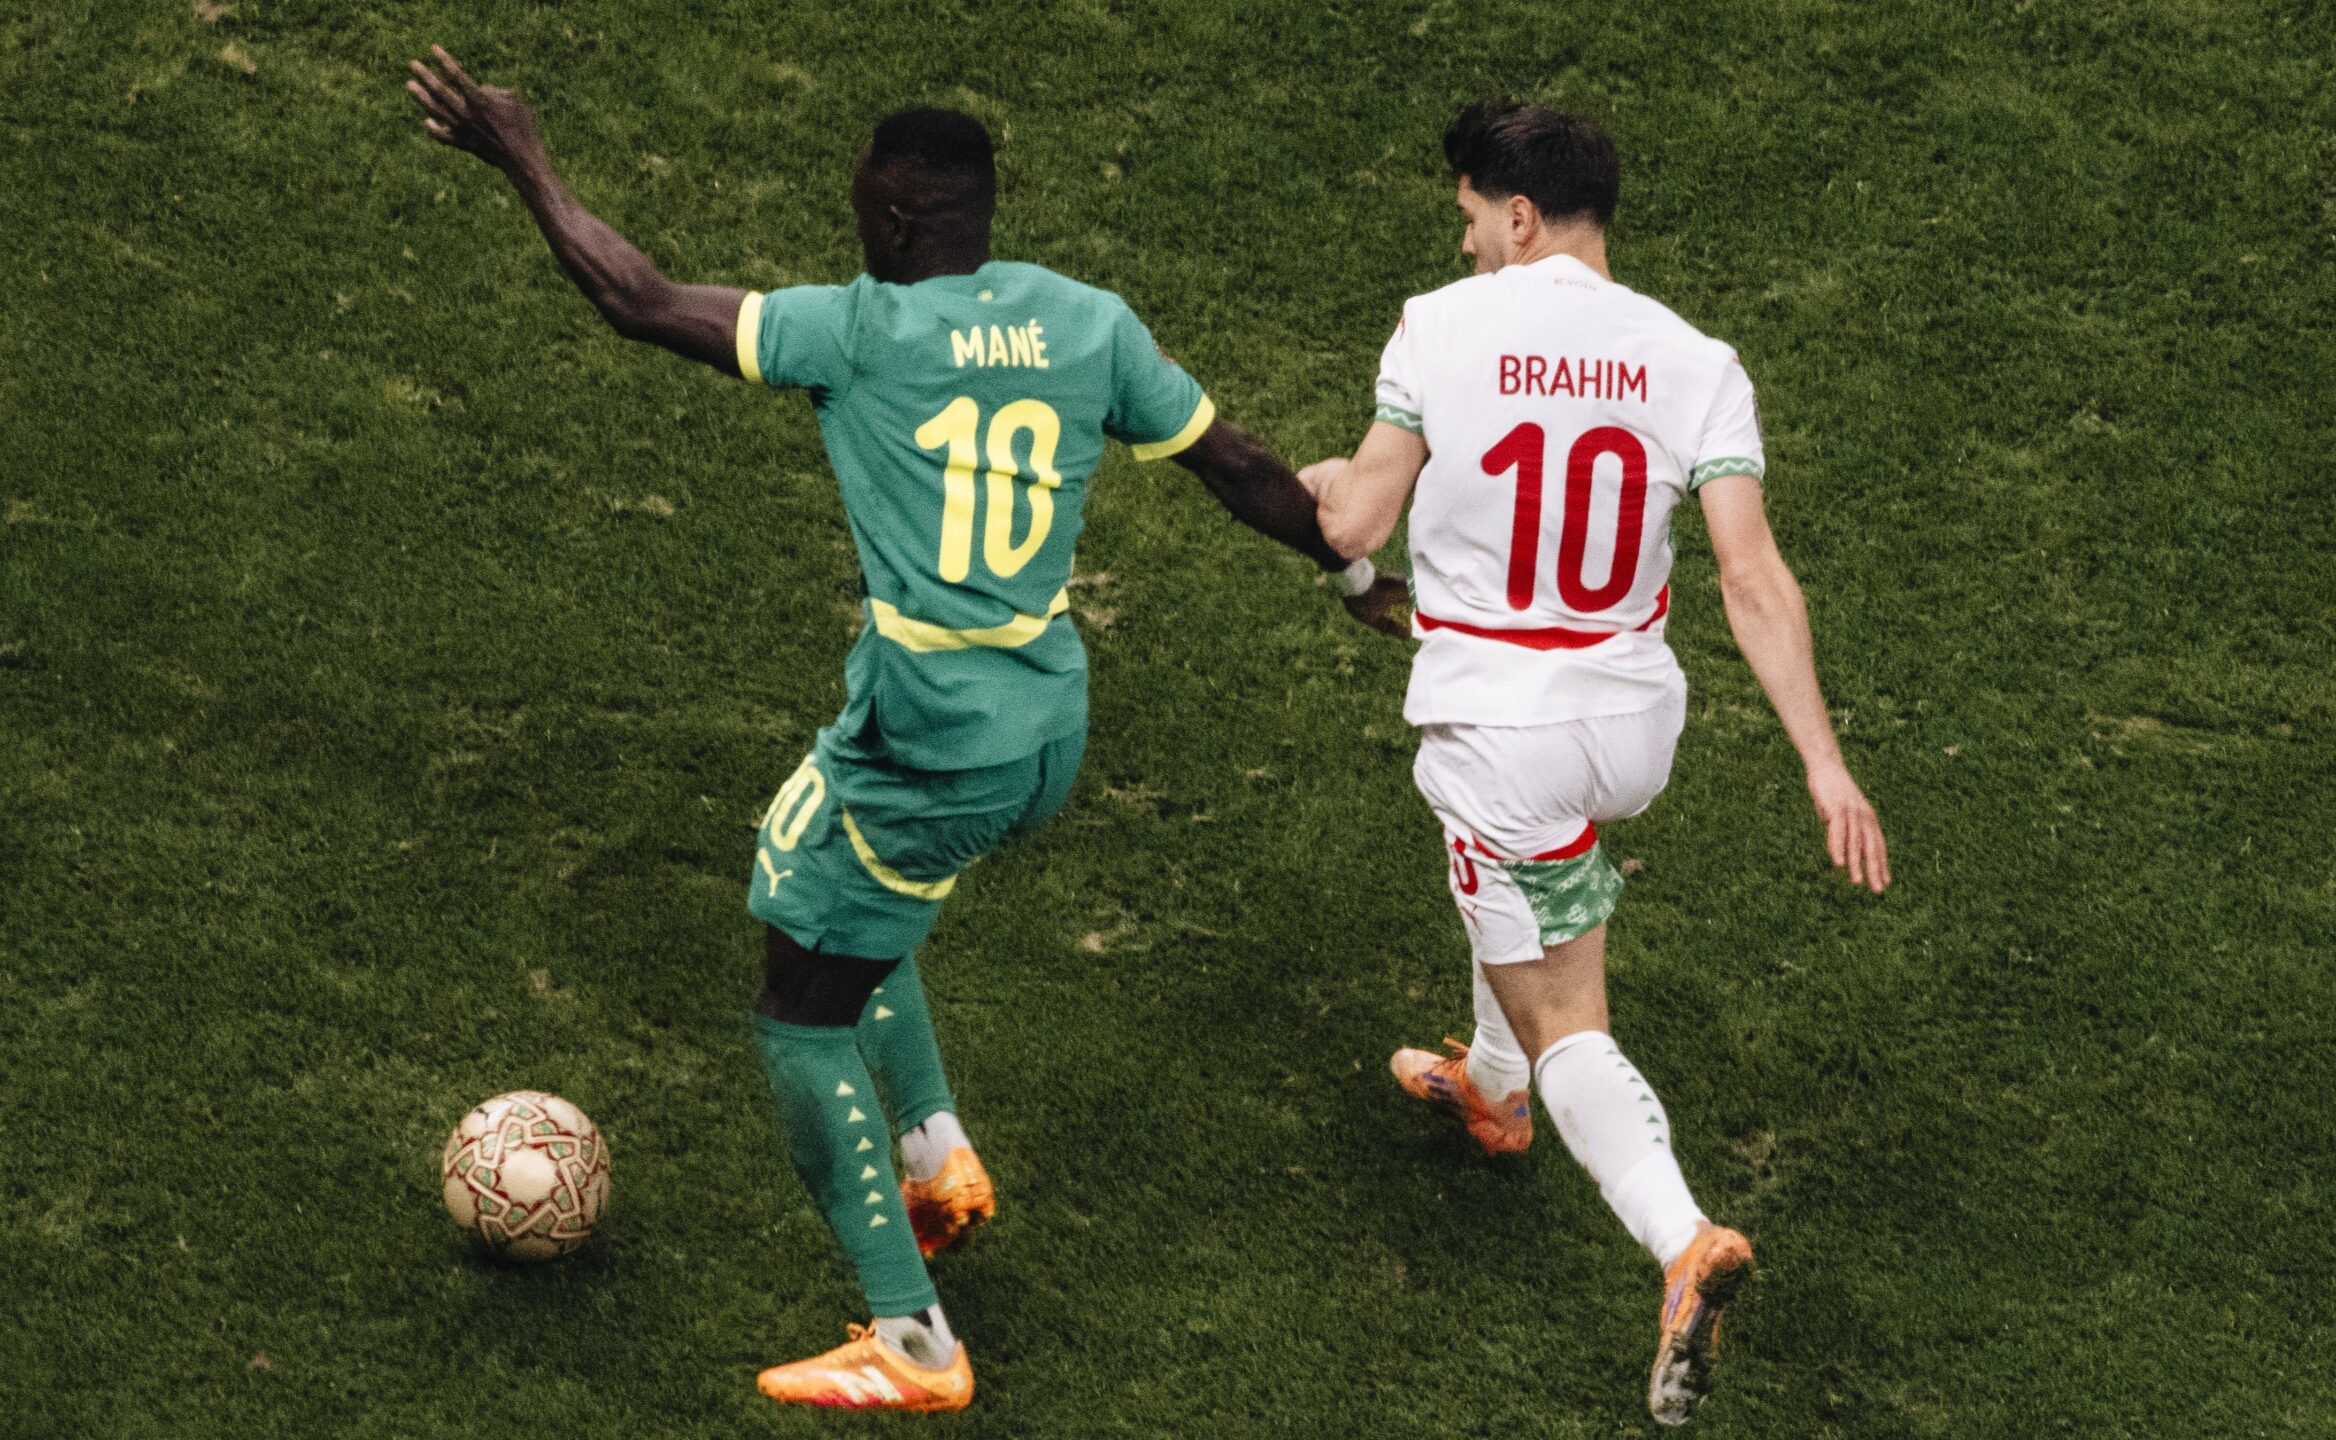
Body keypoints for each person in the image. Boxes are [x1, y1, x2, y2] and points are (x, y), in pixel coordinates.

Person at [403, 47, 1403, 1413]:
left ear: (896, 214)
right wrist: (1351, 569)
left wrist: (522, 155)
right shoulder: (1089, 323)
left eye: (860, 204)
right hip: (1043, 726)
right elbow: (1240, 470)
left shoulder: (860, 330)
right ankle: (936, 1158)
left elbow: (635, 299)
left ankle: (913, 1336)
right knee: (818, 879)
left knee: (798, 1009)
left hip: (931, 743)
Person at [1297, 96, 1891, 1426]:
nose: (1463, 245)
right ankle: (1490, 1088)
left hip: (1507, 737)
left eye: (1470, 220)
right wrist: (1824, 764)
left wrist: (1322, 497)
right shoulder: (1696, 360)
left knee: (1566, 1008)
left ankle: (1683, 1241)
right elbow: (1752, 578)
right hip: (1630, 728)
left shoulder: (1439, 326)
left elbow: (1359, 519)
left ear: (1517, 217)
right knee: (1522, 880)